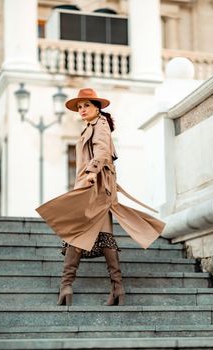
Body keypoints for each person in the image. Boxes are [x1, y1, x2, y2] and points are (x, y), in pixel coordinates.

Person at [35, 88, 165, 306]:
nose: (82, 110)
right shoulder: (90, 127)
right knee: (101, 235)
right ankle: (116, 288)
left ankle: (67, 286)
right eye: (79, 107)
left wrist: (92, 173)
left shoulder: (100, 125)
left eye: (86, 105)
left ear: (97, 107)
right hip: (95, 188)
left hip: (95, 186)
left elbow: (102, 152)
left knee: (77, 232)